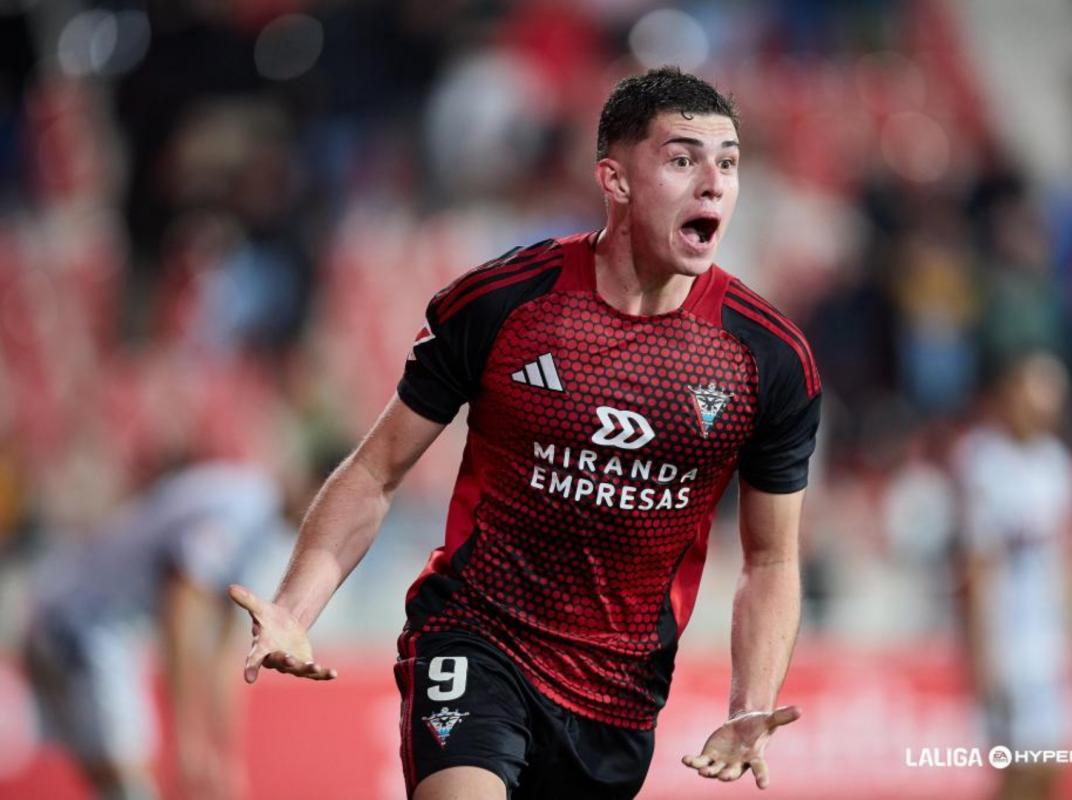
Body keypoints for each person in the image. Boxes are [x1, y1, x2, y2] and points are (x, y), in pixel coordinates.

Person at [230, 66, 821, 798]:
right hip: (475, 638)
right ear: (615, 179)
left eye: (727, 164)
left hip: (617, 697)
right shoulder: (503, 303)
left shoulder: (768, 358)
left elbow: (770, 559)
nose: (713, 185)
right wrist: (294, 608)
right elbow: (376, 471)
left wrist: (750, 702)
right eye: (682, 160)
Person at [23, 460, 287, 800]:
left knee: (117, 782)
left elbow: (225, 648)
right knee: (131, 783)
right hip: (81, 622)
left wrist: (226, 757)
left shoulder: (256, 516)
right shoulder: (247, 508)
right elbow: (181, 604)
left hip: (74, 616)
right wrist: (188, 739)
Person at [956, 352, 1072, 800]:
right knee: (1019, 769)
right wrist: (983, 654)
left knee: (1054, 764)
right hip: (1009, 642)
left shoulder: (1057, 464)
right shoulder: (985, 462)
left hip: (1049, 643)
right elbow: (977, 564)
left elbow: (1066, 556)